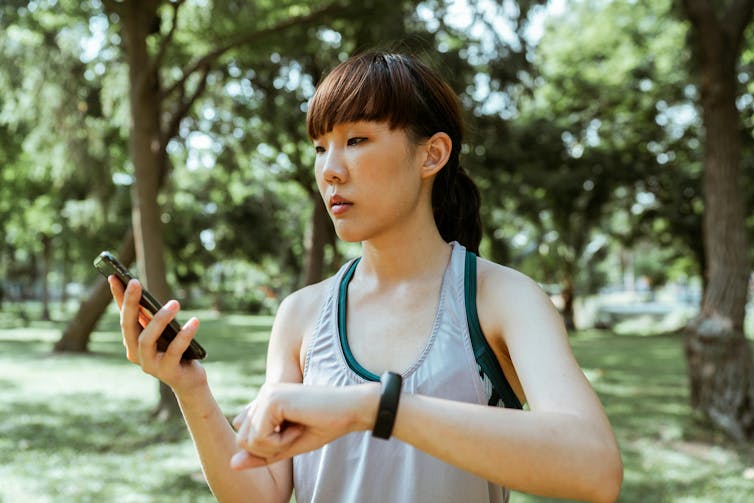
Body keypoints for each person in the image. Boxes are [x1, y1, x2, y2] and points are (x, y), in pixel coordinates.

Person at [108, 51, 623, 503]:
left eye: (356, 139)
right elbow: (259, 492)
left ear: (431, 154)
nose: (330, 169)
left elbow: (596, 469)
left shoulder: (501, 298)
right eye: (319, 147)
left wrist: (373, 408)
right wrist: (190, 388)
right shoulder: (302, 314)